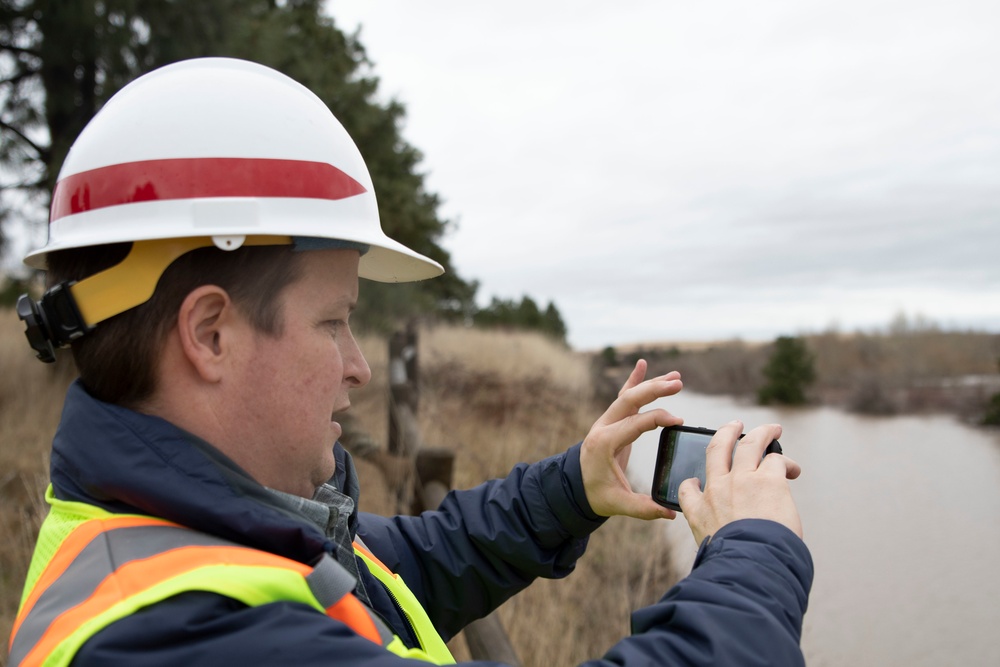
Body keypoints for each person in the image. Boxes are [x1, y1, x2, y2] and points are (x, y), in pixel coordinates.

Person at [7, 58, 811, 666]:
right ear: (211, 334)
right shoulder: (186, 635)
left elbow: (407, 565)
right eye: (334, 321)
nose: (357, 365)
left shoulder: (215, 533)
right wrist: (758, 549)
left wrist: (575, 489)